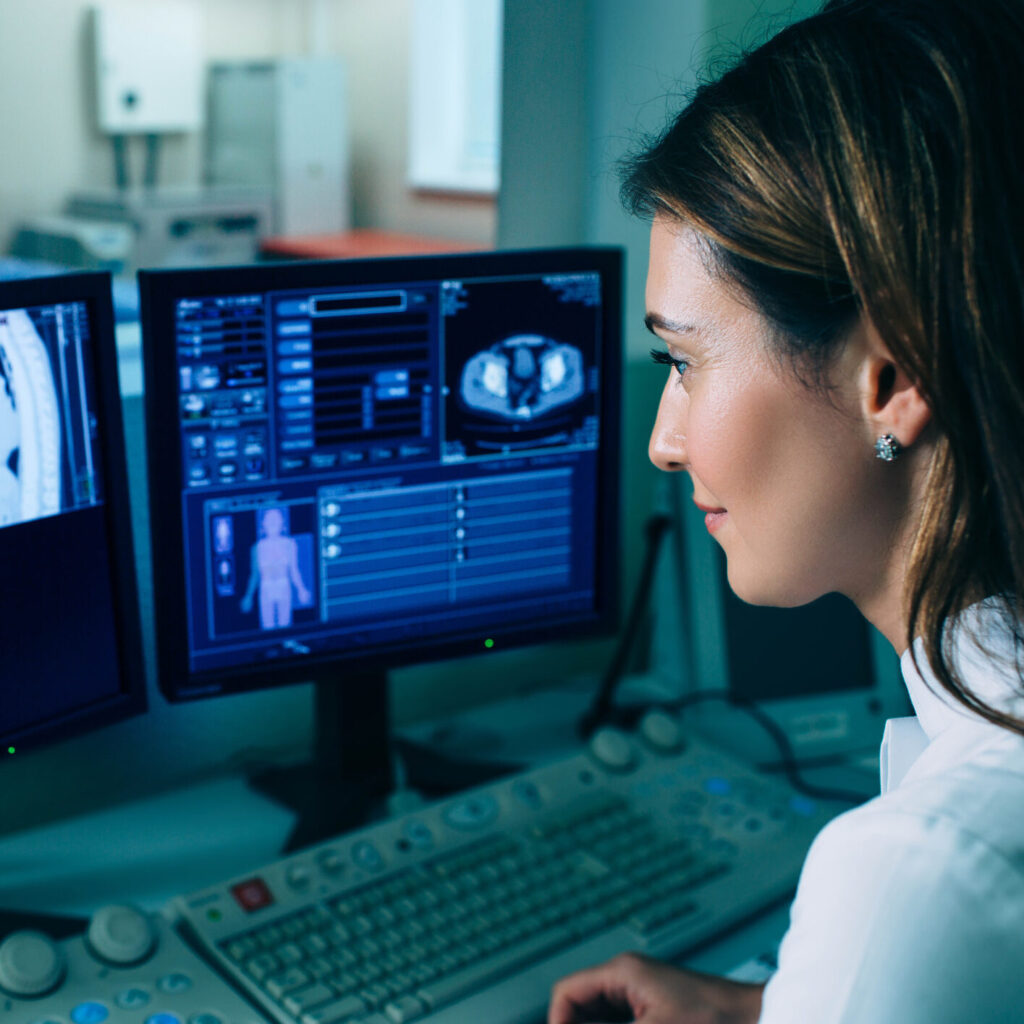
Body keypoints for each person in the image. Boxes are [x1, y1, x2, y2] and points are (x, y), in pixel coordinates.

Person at [548, 1, 1024, 1021]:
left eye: (683, 361)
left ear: (889, 376)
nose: (660, 441)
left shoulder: (916, 876)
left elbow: (934, 906)